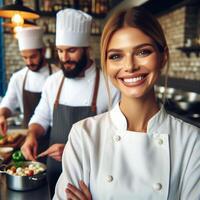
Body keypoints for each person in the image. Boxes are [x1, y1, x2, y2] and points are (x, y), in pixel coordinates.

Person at [53, 6, 200, 200]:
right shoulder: (84, 135)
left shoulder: (191, 141)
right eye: (116, 56)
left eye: (142, 52)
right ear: (106, 64)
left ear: (163, 57)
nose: (129, 66)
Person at [21, 8, 119, 195]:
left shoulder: (109, 85)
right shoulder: (53, 82)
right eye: (60, 51)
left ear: (86, 49)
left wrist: (74, 150)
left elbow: (118, 137)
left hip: (92, 176)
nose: (64, 58)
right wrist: (32, 134)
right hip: (55, 171)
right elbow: (41, 116)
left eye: (71, 51)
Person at [0, 26, 58, 135]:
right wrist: (2, 115)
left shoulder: (57, 75)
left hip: (53, 138)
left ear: (43, 51)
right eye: (24, 57)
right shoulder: (18, 77)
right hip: (28, 136)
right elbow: (8, 103)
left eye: (33, 56)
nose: (29, 62)